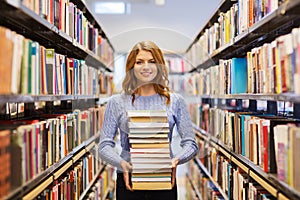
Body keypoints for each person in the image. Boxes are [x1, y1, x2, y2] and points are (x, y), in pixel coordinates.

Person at [98, 41, 198, 200]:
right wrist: (121, 163)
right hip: (128, 179)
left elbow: (191, 143)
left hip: (164, 179)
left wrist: (176, 160)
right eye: (139, 62)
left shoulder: (175, 101)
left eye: (152, 61)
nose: (146, 67)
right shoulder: (116, 102)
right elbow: (104, 146)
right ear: (131, 66)